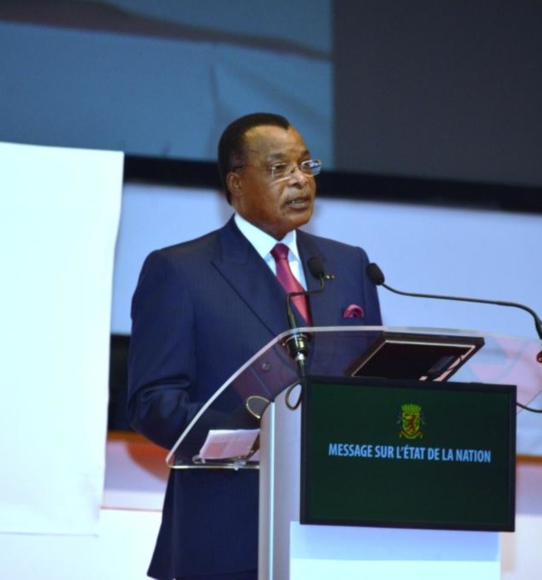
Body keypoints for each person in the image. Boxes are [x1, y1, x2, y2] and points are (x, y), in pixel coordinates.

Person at [127, 112, 383, 579]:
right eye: (279, 168)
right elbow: (154, 404)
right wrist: (254, 437)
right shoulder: (181, 271)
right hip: (226, 535)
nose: (300, 180)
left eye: (306, 165)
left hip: (339, 532)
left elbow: (372, 385)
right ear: (236, 183)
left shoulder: (349, 266)